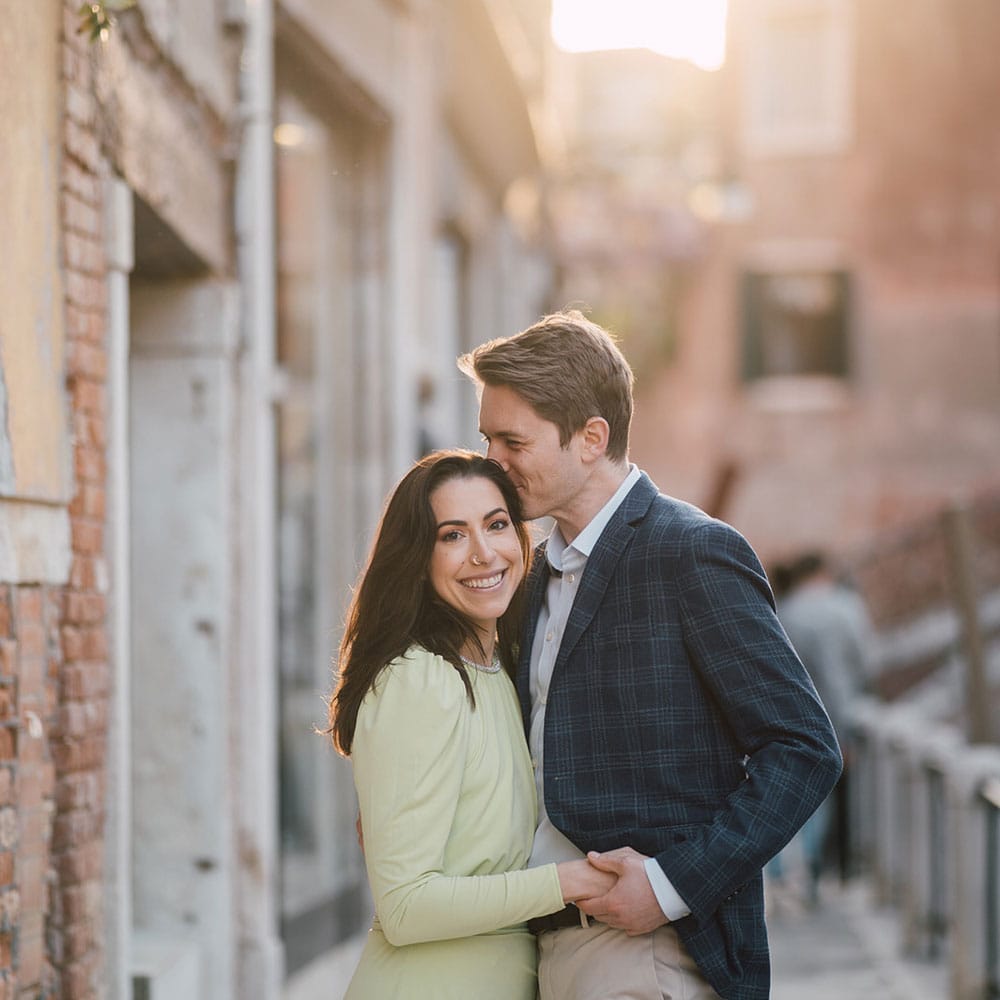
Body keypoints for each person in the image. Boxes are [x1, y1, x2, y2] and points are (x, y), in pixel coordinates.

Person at [457, 311, 843, 1000]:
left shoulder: (691, 551)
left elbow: (804, 749)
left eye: (512, 440)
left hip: (648, 954)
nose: (492, 461)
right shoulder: (533, 575)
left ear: (591, 438)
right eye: (487, 438)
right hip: (541, 946)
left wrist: (670, 887)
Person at [327, 450, 614, 1000]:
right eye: (452, 536)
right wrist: (571, 882)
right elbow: (406, 906)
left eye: (497, 524)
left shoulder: (502, 672)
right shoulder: (420, 680)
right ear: (418, 558)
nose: (485, 554)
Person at [769, 549, 873, 901]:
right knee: (818, 800)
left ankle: (781, 873)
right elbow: (841, 675)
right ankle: (811, 870)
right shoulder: (840, 609)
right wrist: (843, 731)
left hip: (778, 719)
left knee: (780, 795)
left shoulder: (785, 609)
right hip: (822, 719)